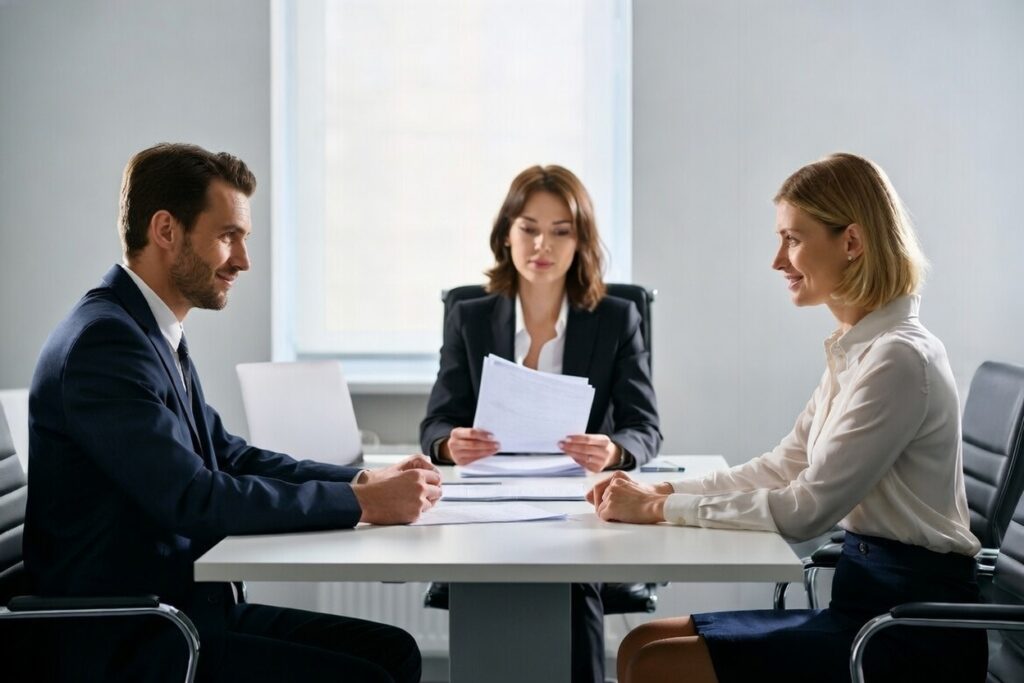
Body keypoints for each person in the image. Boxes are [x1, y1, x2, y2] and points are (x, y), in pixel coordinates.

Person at [23, 143, 442, 683]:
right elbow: (194, 497)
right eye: (228, 236)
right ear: (166, 230)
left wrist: (361, 480)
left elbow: (228, 456)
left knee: (393, 652)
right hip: (130, 638)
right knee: (368, 675)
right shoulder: (106, 344)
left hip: (181, 614)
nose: (243, 260)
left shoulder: (148, 329)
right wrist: (360, 504)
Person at [588, 153, 986, 683]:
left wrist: (662, 510)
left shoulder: (898, 358)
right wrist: (660, 492)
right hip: (869, 605)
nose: (779, 260)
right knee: (640, 644)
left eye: (793, 239)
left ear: (851, 242)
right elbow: (783, 466)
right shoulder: (857, 347)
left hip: (908, 630)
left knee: (655, 664)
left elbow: (806, 510)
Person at [420, 164, 663, 683]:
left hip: (574, 500)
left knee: (573, 575)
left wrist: (613, 450)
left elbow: (644, 426)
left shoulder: (616, 317)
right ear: (506, 233)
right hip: (488, 498)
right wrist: (449, 444)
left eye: (560, 231)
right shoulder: (470, 316)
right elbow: (438, 421)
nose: (541, 245)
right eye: (528, 228)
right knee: (484, 576)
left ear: (581, 242)